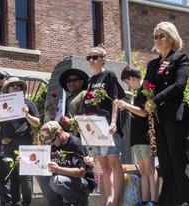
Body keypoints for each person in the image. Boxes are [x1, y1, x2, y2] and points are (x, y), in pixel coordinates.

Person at [144, 22, 189, 206]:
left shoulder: (180, 58)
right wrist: (144, 98)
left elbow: (179, 85)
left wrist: (155, 99)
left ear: (172, 37)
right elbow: (146, 86)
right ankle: (170, 201)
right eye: (156, 36)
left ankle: (186, 201)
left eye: (162, 35)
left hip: (175, 116)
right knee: (165, 162)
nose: (158, 39)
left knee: (178, 159)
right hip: (159, 119)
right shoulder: (152, 64)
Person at [83, 45, 125, 206]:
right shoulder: (91, 80)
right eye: (89, 58)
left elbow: (116, 99)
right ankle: (107, 199)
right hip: (93, 127)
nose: (91, 61)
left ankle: (115, 200)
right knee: (102, 164)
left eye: (94, 57)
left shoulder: (109, 75)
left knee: (114, 161)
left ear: (103, 59)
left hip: (107, 124)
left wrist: (114, 121)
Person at [0, 77, 41, 206]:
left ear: (21, 89)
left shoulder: (28, 103)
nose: (15, 87)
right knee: (13, 175)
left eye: (18, 85)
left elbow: (37, 123)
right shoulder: (1, 105)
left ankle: (26, 203)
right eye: (12, 85)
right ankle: (15, 202)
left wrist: (26, 114)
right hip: (8, 144)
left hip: (24, 143)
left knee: (25, 175)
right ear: (8, 89)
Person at [116, 65, 159, 206]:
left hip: (146, 136)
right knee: (143, 171)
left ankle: (154, 200)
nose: (128, 85)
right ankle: (145, 200)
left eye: (127, 82)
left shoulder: (146, 90)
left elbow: (143, 112)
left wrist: (126, 105)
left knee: (150, 169)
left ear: (133, 78)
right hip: (136, 137)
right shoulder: (138, 93)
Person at [37, 121, 95, 206]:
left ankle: (81, 202)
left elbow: (81, 173)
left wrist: (59, 169)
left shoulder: (75, 144)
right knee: (41, 175)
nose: (51, 143)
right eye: (48, 141)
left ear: (60, 131)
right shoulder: (53, 145)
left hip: (83, 183)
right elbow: (38, 161)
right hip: (64, 179)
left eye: (52, 139)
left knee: (56, 181)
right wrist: (24, 160)